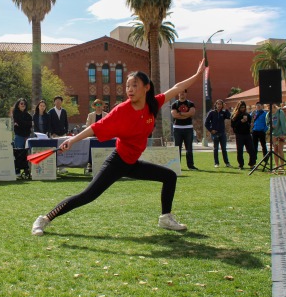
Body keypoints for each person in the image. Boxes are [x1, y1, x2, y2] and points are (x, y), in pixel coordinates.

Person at [31, 59, 205, 236]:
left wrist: (198, 75)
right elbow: (95, 128)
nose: (129, 89)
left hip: (133, 163)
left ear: (146, 87)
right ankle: (44, 219)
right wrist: (72, 140)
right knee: (88, 195)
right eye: (128, 86)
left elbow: (176, 88)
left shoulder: (153, 104)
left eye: (134, 85)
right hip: (117, 162)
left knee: (169, 176)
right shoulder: (121, 110)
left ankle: (166, 218)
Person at [171, 90, 198, 170]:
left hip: (188, 128)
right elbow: (174, 115)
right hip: (177, 128)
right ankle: (177, 166)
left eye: (184, 92)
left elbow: (192, 113)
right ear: (178, 93)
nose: (182, 93)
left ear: (186, 93)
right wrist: (186, 114)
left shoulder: (190, 104)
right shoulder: (174, 104)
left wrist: (181, 114)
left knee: (189, 148)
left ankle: (190, 166)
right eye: (180, 92)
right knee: (177, 148)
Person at [204, 99, 232, 168]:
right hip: (215, 133)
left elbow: (229, 117)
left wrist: (226, 109)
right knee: (216, 148)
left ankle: (227, 163)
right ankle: (216, 163)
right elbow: (206, 123)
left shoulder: (223, 112)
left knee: (224, 149)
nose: (219, 105)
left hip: (222, 133)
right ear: (215, 105)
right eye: (218, 104)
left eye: (220, 104)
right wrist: (211, 130)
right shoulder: (212, 113)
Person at [230, 101, 256, 170]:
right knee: (240, 150)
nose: (243, 109)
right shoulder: (235, 115)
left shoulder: (247, 115)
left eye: (244, 107)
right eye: (241, 107)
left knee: (251, 150)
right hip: (239, 134)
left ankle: (252, 164)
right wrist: (240, 121)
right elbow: (233, 125)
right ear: (238, 107)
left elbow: (250, 123)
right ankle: (241, 164)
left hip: (247, 134)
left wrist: (250, 125)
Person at [267, 103, 286, 173]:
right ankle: (276, 165)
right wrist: (270, 126)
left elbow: (283, 123)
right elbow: (267, 123)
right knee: (275, 149)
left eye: (269, 105)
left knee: (280, 149)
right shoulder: (268, 114)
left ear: (273, 105)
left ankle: (282, 166)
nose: (268, 107)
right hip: (273, 134)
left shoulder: (280, 112)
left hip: (281, 133)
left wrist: (284, 134)